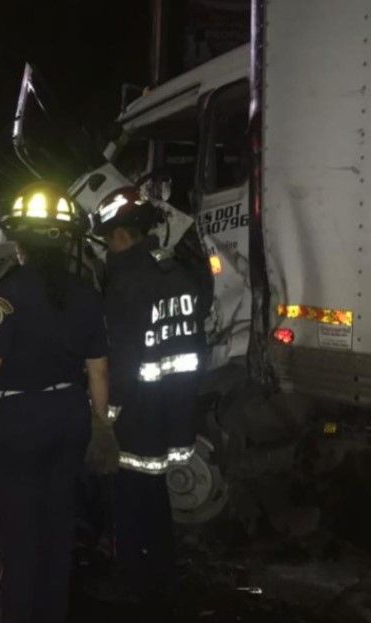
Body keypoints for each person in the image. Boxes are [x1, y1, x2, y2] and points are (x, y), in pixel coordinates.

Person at [0, 184, 118, 623]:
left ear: (19, 241)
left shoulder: (7, 291)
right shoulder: (85, 292)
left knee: (18, 543)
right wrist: (101, 425)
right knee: (56, 533)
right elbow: (99, 372)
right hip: (70, 417)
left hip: (21, 422)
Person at [92, 186, 205, 606]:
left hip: (135, 414)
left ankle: (132, 586)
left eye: (107, 239)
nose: (107, 247)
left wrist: (104, 417)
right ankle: (163, 574)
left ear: (119, 235)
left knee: (128, 502)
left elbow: (120, 359)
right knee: (156, 495)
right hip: (174, 406)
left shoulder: (124, 282)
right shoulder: (176, 272)